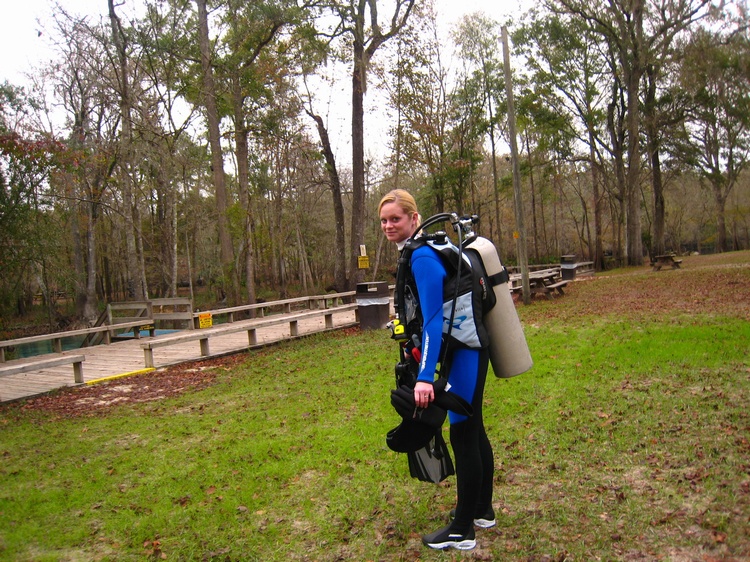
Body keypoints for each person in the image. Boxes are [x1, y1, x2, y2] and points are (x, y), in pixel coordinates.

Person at [378, 189, 495, 551]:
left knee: (464, 435)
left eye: (395, 218)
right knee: (473, 431)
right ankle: (482, 510)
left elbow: (431, 321)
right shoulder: (420, 251)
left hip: (465, 352)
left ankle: (463, 529)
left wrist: (426, 376)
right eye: (383, 220)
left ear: (414, 219)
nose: (388, 226)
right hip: (468, 349)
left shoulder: (423, 257)